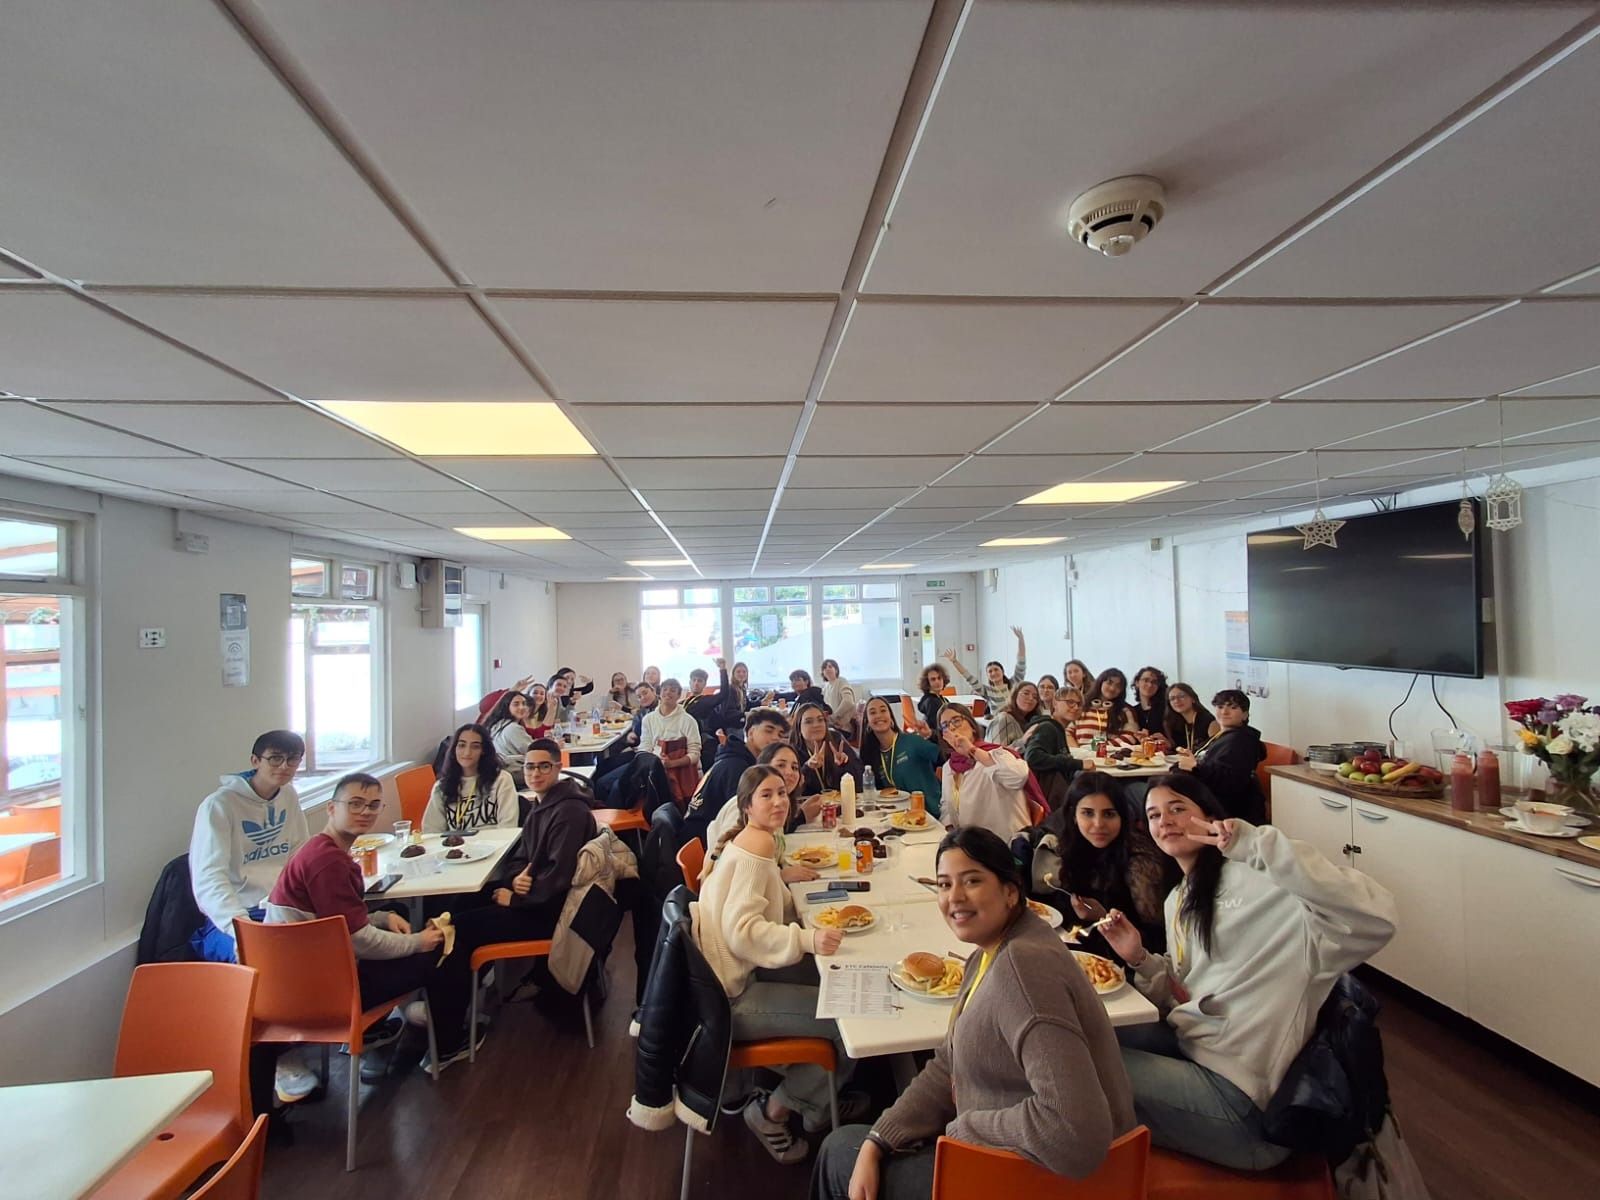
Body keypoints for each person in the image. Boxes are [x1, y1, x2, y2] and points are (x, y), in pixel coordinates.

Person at [812, 827, 1137, 1198]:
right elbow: (949, 1063)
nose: (955, 897)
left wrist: (965, 1129)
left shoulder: (1024, 970)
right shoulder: (990, 952)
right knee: (855, 1146)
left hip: (1049, 1181)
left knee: (837, 1154)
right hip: (1014, 1158)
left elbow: (1075, 1132)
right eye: (944, 884)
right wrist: (880, 1138)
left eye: (972, 881)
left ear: (1010, 892)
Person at [1101, 773, 1395, 1171]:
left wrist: (1254, 844)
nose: (1164, 821)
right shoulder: (1180, 898)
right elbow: (1184, 990)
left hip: (1244, 1107)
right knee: (1091, 1032)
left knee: (1079, 1065)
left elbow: (1374, 917)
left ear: (1211, 816)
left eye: (1177, 808)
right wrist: (1138, 957)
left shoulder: (1261, 883)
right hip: (1196, 1051)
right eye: (1153, 815)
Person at [693, 766, 856, 1164]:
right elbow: (742, 932)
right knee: (849, 1021)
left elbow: (768, 908)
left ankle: (821, 1099)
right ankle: (775, 1110)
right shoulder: (758, 845)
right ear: (746, 806)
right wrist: (806, 939)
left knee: (837, 983)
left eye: (782, 793)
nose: (779, 801)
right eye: (766, 795)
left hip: (736, 977)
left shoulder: (754, 839)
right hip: (731, 1001)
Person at [265, 773, 448, 1094]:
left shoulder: (318, 849)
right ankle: (441, 1033)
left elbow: (332, 923)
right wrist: (417, 942)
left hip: (297, 974)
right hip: (322, 993)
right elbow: (358, 940)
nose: (365, 811)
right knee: (433, 952)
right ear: (331, 808)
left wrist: (381, 917)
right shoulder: (329, 863)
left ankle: (385, 1023)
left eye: (374, 805)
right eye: (355, 804)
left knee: (396, 913)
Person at [421, 739, 599, 1069]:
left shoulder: (569, 812)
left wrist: (516, 897)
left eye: (544, 766)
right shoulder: (542, 805)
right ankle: (448, 1002)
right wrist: (515, 879)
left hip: (550, 915)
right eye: (530, 767)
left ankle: (447, 1039)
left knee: (456, 929)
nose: (535, 773)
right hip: (535, 902)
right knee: (459, 908)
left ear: (558, 768)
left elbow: (560, 879)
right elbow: (520, 855)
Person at [189, 730, 312, 965]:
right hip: (235, 915)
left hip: (280, 907)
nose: (284, 766)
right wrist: (241, 928)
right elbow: (209, 881)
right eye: (275, 758)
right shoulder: (219, 806)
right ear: (255, 761)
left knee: (330, 945)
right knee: (263, 961)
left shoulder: (288, 795)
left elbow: (300, 856)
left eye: (292, 759)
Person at [1042, 772, 1175, 957]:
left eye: (1109, 814)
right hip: (1072, 950)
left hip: (1125, 963)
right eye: (1088, 813)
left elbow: (1161, 940)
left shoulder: (1140, 861)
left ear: (1122, 816)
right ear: (1074, 815)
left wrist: (1103, 917)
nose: (1098, 824)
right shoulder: (1070, 845)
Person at [705, 742, 826, 872]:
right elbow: (726, 867)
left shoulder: (779, 807)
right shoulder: (742, 806)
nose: (790, 772)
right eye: (781, 765)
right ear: (762, 768)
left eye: (795, 767)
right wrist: (781, 875)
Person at [682, 706, 790, 846]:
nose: (775, 738)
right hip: (705, 842)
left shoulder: (738, 758)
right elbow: (747, 819)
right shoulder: (737, 767)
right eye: (769, 730)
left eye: (780, 735)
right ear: (751, 733)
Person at [937, 704, 1032, 840]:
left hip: (1005, 843)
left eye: (956, 721)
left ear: (972, 726)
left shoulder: (994, 756)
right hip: (970, 842)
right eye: (945, 725)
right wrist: (950, 830)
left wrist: (972, 750)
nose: (951, 728)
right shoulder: (949, 766)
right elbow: (947, 805)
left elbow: (1018, 777)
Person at [1174, 689, 1266, 824]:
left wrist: (1195, 767)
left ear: (1245, 715)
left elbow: (1230, 781)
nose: (1224, 712)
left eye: (1233, 707)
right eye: (1220, 707)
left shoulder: (1241, 741)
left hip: (1227, 809)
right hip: (1205, 796)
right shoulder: (1222, 736)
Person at [423, 724, 519, 833]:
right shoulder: (441, 787)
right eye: (462, 745)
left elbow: (508, 827)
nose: (467, 752)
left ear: (483, 750)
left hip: (496, 843)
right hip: (455, 843)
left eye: (475, 747)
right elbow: (431, 831)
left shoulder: (501, 780)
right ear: (454, 749)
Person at [860, 696, 942, 817]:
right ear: (867, 722)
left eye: (883, 710)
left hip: (931, 813)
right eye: (872, 712)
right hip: (900, 817)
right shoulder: (872, 756)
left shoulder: (912, 741)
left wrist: (931, 735)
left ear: (891, 717)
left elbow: (943, 758)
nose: (878, 715)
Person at [641, 677, 703, 803]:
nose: (668, 693)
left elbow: (695, 754)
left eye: (673, 690)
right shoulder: (648, 719)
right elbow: (645, 747)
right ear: (659, 693)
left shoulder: (688, 720)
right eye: (665, 689)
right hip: (655, 768)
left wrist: (671, 764)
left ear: (679, 696)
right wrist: (655, 762)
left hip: (682, 771)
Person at [1022, 688, 1085, 809]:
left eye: (1079, 704)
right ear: (1055, 703)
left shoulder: (1058, 729)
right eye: (1070, 702)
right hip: (1047, 800)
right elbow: (1033, 757)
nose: (1076, 707)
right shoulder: (1048, 727)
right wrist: (1078, 764)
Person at [791, 700, 863, 796]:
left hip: (839, 802)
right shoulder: (792, 753)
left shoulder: (836, 740)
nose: (816, 725)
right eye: (808, 722)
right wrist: (807, 768)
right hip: (811, 804)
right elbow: (792, 792)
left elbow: (859, 783)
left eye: (820, 720)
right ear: (798, 728)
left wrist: (844, 765)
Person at [945, 626, 1026, 709]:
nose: (993, 673)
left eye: (996, 670)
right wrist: (954, 661)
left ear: (1002, 671)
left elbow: (1021, 662)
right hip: (998, 717)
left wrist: (1021, 639)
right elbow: (967, 676)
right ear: (987, 675)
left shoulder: (1014, 684)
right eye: (990, 671)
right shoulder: (987, 691)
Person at [484, 690, 535, 775]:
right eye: (516, 704)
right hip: (515, 772)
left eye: (524, 703)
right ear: (507, 706)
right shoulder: (513, 728)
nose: (522, 707)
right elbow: (532, 750)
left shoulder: (497, 725)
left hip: (503, 771)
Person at [985, 680, 1046, 748]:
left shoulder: (1029, 722)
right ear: (1015, 695)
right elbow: (994, 751)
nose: (1031, 698)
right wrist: (1022, 742)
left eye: (1035, 697)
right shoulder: (1004, 718)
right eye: (1026, 693)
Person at [1163, 683, 1219, 753]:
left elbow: (1216, 751)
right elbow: (1176, 749)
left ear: (1193, 699)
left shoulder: (1209, 721)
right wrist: (1168, 745)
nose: (1176, 701)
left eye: (1181, 696)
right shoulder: (1172, 722)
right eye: (1172, 698)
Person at [1085, 668, 1140, 738]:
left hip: (1112, 745)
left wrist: (1105, 745)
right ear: (1100, 682)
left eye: (1118, 686)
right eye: (1109, 683)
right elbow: (1071, 731)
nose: (1112, 688)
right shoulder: (1083, 706)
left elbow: (1130, 736)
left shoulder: (1127, 711)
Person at [818, 659, 858, 735]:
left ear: (836, 670)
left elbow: (848, 702)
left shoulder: (841, 681)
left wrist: (833, 717)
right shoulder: (826, 686)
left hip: (843, 728)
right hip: (831, 725)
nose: (827, 669)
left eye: (830, 666)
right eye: (824, 668)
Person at [1132, 666, 1170, 739]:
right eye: (1146, 680)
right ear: (1137, 683)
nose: (1150, 685)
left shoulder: (1167, 708)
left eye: (1154, 682)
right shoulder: (1132, 711)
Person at [915, 663, 951, 735]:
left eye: (939, 678)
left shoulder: (943, 699)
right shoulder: (931, 702)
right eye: (933, 679)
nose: (937, 681)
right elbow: (936, 727)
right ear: (927, 683)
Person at [626, 682, 658, 747]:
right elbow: (636, 732)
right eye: (639, 697)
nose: (643, 698)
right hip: (644, 746)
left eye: (645, 693)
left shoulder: (664, 708)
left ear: (654, 691)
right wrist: (632, 735)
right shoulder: (641, 713)